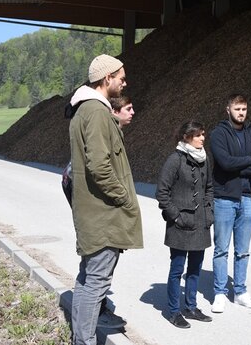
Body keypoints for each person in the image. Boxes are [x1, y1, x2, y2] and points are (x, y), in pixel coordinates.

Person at [67, 54, 143, 345]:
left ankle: (80, 338)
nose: (124, 81)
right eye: (120, 76)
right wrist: (123, 197)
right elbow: (99, 166)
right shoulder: (96, 112)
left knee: (87, 279)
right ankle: (83, 341)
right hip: (102, 214)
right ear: (106, 78)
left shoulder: (85, 110)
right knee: (96, 282)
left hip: (94, 212)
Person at [210, 93, 251, 313]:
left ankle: (241, 291)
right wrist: (248, 160)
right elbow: (224, 162)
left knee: (243, 250)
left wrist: (238, 165)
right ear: (228, 110)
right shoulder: (218, 134)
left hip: (247, 197)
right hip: (224, 197)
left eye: (243, 109)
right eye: (237, 109)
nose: (241, 113)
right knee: (221, 249)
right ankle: (220, 293)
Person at [156, 121, 214, 329]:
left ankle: (191, 306)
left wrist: (209, 213)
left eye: (203, 134)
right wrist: (176, 216)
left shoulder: (204, 158)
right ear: (186, 136)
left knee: (195, 268)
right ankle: (173, 311)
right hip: (180, 225)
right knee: (177, 268)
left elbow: (209, 188)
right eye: (198, 135)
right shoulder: (175, 159)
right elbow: (162, 192)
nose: (202, 138)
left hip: (201, 223)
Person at [62, 95, 134, 206]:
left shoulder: (114, 130)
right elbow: (98, 166)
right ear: (114, 111)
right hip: (74, 182)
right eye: (128, 109)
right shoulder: (102, 128)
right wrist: (122, 197)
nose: (132, 112)